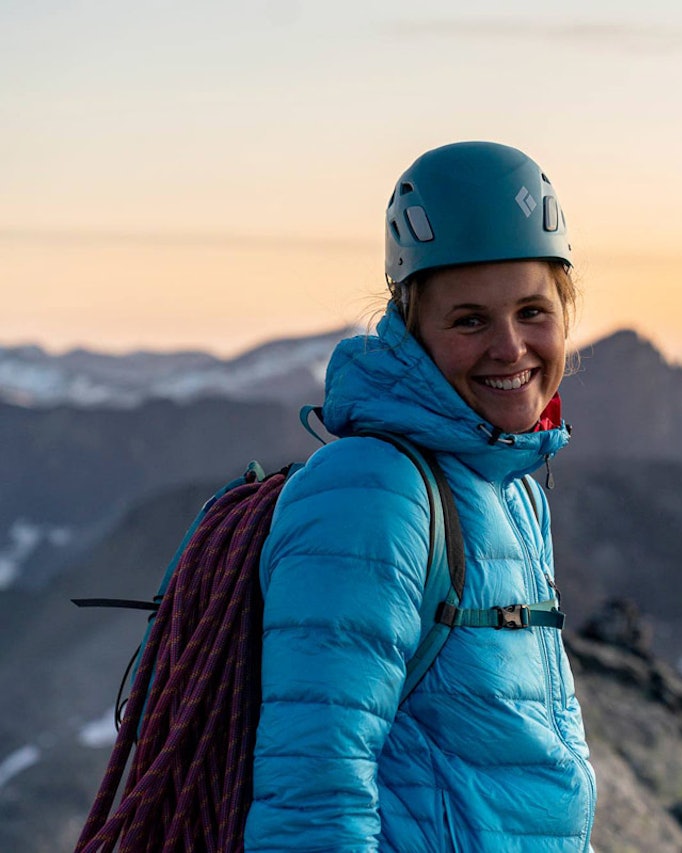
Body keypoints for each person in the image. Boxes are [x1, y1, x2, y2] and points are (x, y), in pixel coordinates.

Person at [243, 141, 596, 851]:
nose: (510, 347)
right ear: (411, 328)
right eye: (469, 320)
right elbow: (312, 800)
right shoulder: (370, 491)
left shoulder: (512, 491)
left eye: (533, 311)